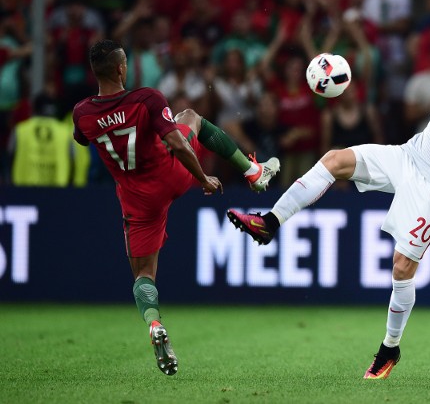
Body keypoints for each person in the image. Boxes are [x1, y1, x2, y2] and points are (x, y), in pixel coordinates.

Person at [227, 22, 430, 379]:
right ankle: (269, 223)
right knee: (334, 159)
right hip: (407, 155)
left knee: (402, 266)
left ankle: (390, 348)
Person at [72, 39, 280, 376]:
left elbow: (82, 138)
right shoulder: (146, 98)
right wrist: (203, 178)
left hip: (136, 200)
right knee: (191, 117)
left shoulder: (82, 113)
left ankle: (153, 323)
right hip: (171, 174)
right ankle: (254, 171)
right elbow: (177, 142)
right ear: (122, 69)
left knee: (143, 274)